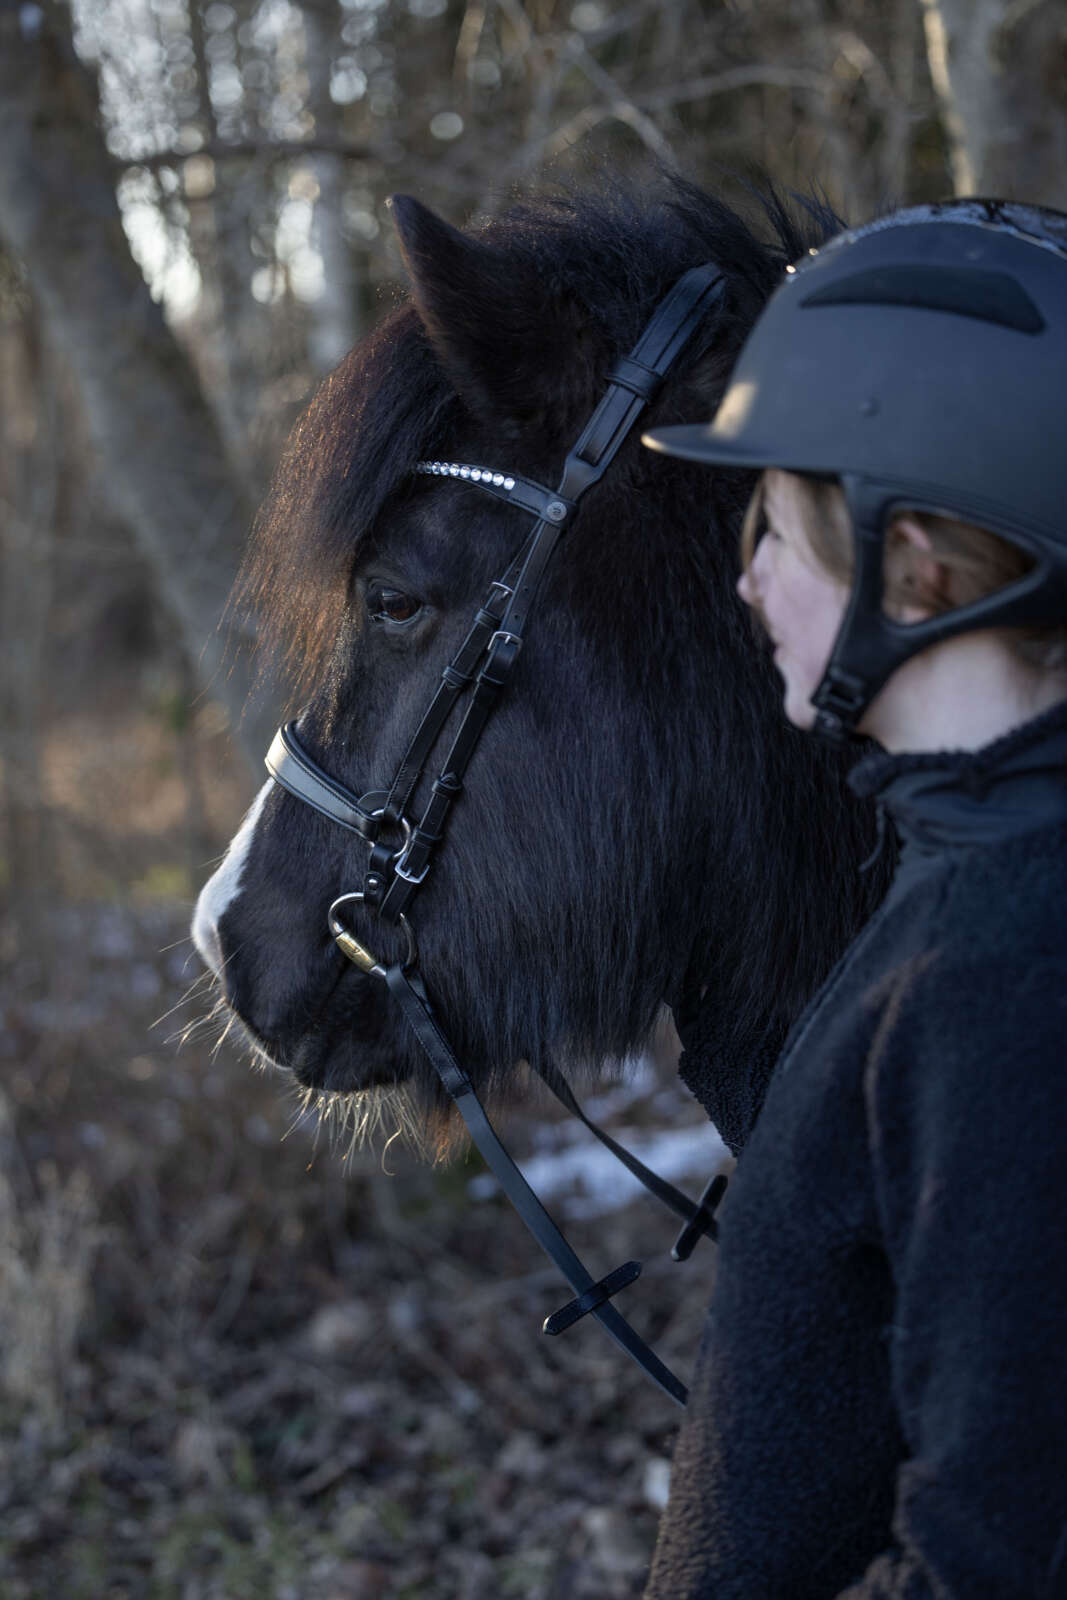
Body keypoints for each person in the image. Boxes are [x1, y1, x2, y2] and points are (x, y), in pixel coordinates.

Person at [640, 199, 1067, 1597]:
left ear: (918, 563)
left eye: (777, 528)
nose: (747, 580)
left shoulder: (995, 967)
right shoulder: (984, 878)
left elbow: (1001, 1547)